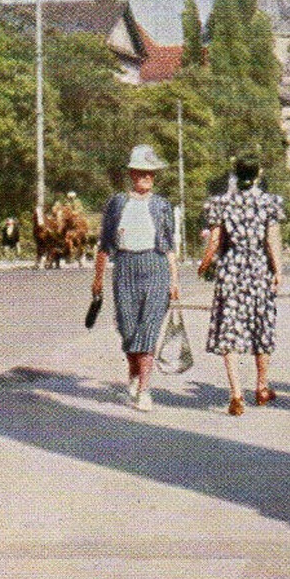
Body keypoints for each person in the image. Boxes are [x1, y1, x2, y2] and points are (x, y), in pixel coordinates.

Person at [92, 145, 180, 412]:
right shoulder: (117, 203)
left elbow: (169, 247)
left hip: (155, 267)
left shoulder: (162, 205)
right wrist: (97, 279)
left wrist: (174, 280)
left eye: (151, 174)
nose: (146, 178)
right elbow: (105, 244)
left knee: (149, 328)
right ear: (132, 174)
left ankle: (144, 389)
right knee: (129, 329)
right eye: (141, 173)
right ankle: (133, 374)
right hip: (125, 267)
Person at [199, 155, 285, 416]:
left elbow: (214, 240)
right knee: (262, 324)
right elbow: (271, 240)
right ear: (258, 174)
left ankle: (236, 394)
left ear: (235, 174)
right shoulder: (268, 203)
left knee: (230, 327)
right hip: (258, 268)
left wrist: (205, 264)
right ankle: (261, 386)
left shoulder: (221, 203)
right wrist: (278, 270)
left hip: (231, 268)